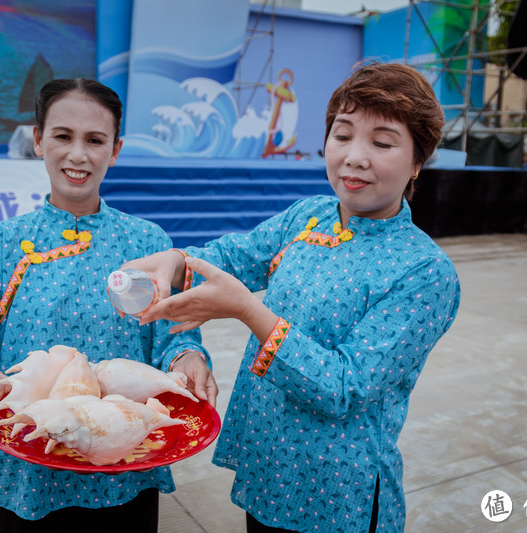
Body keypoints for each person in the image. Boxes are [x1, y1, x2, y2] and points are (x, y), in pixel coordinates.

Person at [121, 62, 461, 532]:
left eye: (381, 143)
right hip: (269, 466)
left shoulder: (425, 272)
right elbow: (235, 254)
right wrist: (177, 261)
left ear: (418, 161)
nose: (354, 157)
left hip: (338, 489)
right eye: (342, 135)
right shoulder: (308, 216)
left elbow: (344, 387)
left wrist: (247, 310)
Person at [0, 78, 217, 531]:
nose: (78, 155)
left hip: (125, 467)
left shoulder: (148, 242)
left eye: (95, 140)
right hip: (30, 464)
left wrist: (188, 359)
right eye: (63, 136)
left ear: (115, 149)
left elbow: (174, 337)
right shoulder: (3, 244)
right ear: (39, 139)